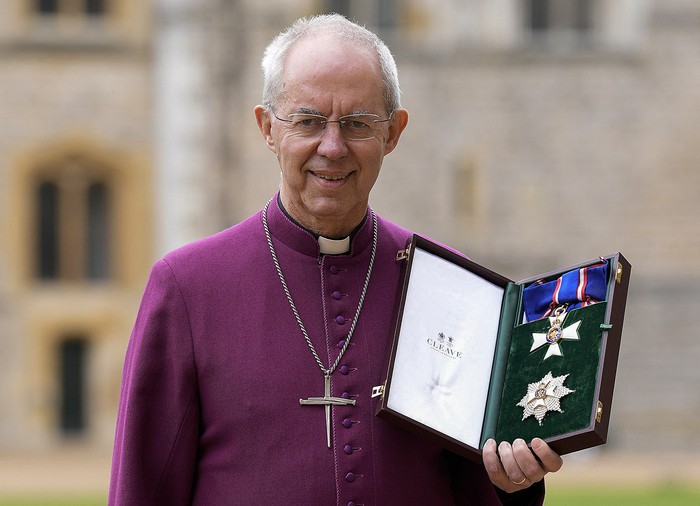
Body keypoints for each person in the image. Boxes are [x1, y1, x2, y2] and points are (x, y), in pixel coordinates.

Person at [108, 14, 563, 505]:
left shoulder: (450, 287)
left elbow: (479, 489)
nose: (332, 146)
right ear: (267, 128)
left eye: (357, 124)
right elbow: (142, 487)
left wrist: (516, 482)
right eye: (306, 121)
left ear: (393, 132)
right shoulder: (187, 287)